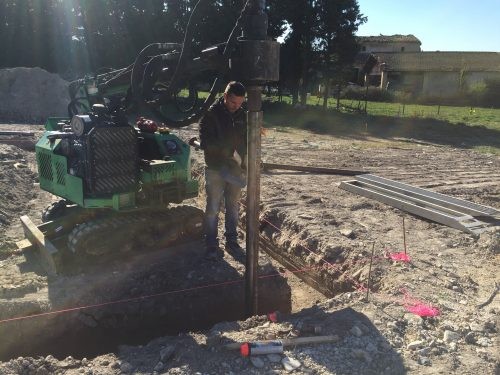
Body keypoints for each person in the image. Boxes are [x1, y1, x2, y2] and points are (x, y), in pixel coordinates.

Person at [199, 81, 247, 260]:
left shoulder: (243, 115)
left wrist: (245, 161)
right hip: (216, 169)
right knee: (213, 207)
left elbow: (246, 140)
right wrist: (227, 151)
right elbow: (205, 142)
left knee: (233, 207)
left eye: (240, 103)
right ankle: (211, 243)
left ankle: (232, 241)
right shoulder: (210, 114)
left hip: (235, 170)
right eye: (234, 102)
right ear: (225, 96)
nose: (237, 106)